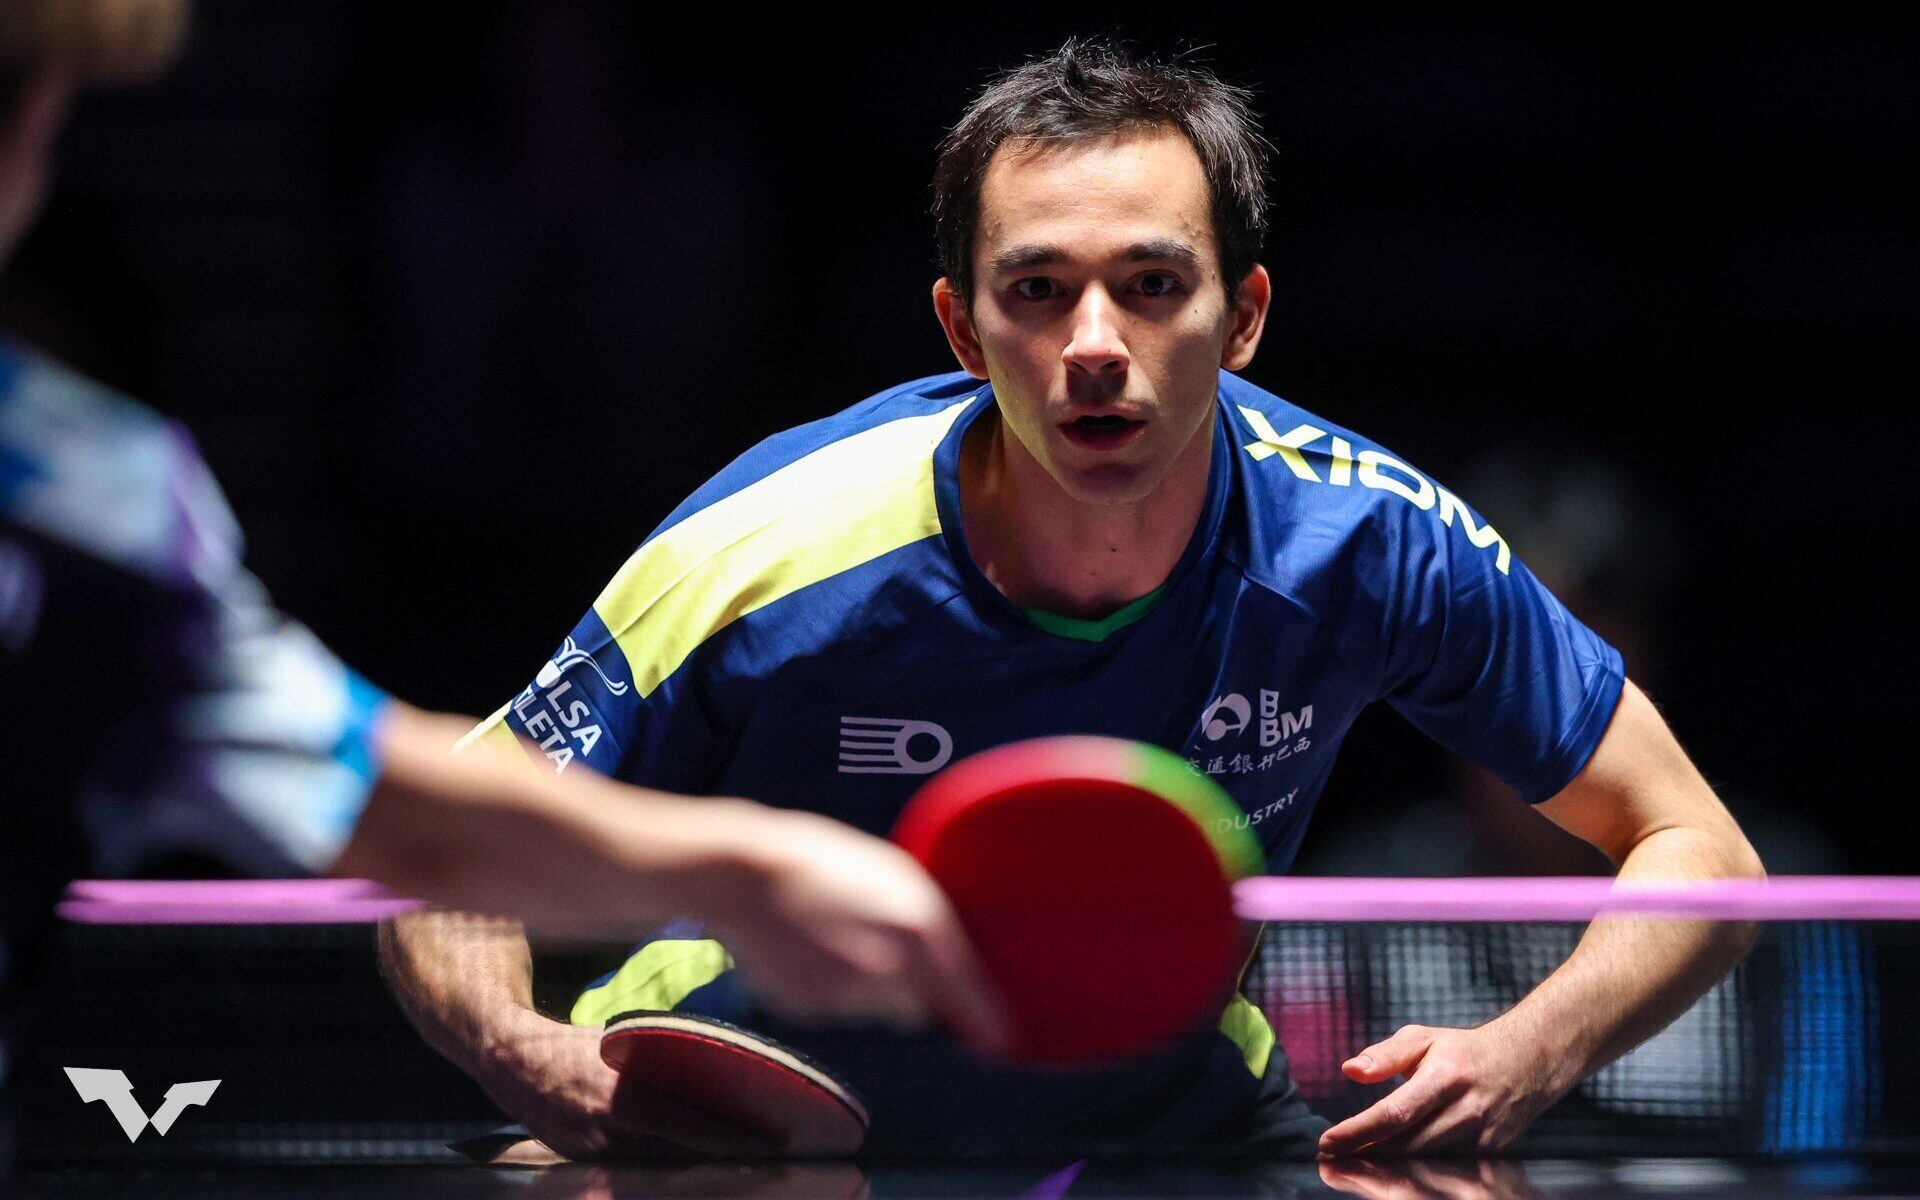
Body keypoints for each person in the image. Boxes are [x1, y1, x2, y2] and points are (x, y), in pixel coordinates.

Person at [383, 38, 1763, 1159]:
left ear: (1244, 316)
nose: (1095, 344)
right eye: (1038, 290)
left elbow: (1700, 847)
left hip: (1167, 1124)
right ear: (962, 328)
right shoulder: (772, 548)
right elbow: (439, 848)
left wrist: (1530, 1050)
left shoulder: (1368, 540)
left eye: (1152, 285)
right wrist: (527, 1056)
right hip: (750, 1118)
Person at [0, 0, 1003, 1067]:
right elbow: (401, 816)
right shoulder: (83, 493)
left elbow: (389, 804)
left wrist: (745, 872)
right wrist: (746, 874)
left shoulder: (97, 503)